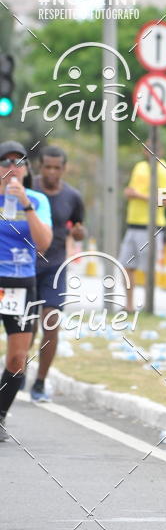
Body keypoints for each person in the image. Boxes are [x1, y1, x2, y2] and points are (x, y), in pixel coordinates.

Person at [0, 141, 52, 442]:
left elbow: (43, 244)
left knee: (17, 359)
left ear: (27, 169)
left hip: (21, 285)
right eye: (5, 163)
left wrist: (26, 205)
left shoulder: (37, 200)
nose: (11, 169)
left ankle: (1, 414)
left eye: (18, 162)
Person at [30, 145, 86, 402]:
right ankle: (16, 372)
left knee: (51, 324)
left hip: (55, 267)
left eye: (57, 167)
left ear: (64, 169)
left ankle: (40, 382)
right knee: (26, 327)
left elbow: (78, 226)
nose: (52, 172)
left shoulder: (72, 197)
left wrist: (78, 234)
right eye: (47, 167)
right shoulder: (29, 192)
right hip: (27, 267)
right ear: (40, 167)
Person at [118, 139, 166, 313]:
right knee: (126, 265)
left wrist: (139, 196)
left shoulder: (164, 171)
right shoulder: (140, 167)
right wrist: (130, 193)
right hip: (132, 224)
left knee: (149, 269)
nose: (149, 152)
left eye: (154, 149)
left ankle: (149, 306)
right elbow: (131, 190)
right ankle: (129, 305)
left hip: (151, 226)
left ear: (161, 151)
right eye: (147, 149)